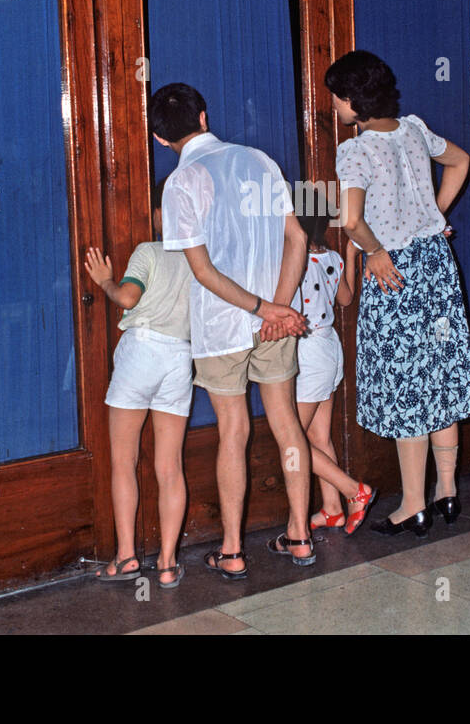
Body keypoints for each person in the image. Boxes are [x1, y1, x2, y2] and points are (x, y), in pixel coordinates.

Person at [150, 82, 314, 578]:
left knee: (233, 433)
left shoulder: (180, 185)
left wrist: (265, 309)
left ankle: (233, 550)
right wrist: (279, 309)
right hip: (275, 319)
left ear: (160, 140)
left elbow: (204, 273)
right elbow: (297, 237)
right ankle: (302, 537)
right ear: (204, 116)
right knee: (286, 423)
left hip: (222, 328)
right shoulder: (260, 160)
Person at [327, 50, 470, 537]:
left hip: (393, 272)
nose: (334, 106)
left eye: (336, 98)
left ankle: (413, 503)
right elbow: (460, 161)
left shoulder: (355, 150)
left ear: (353, 101)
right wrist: (432, 216)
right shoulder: (414, 128)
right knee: (439, 374)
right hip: (435, 266)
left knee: (406, 385)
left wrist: (372, 251)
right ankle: (447, 491)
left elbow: (351, 219)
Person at [83, 181, 194, 588]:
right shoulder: (202, 259)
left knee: (124, 461)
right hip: (180, 357)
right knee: (170, 467)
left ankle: (127, 556)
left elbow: (128, 299)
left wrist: (105, 282)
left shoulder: (149, 251)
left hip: (142, 352)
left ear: (160, 216)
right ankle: (167, 563)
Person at [292, 194, 376, 535]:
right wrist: (352, 256)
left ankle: (354, 491)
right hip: (330, 348)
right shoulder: (332, 258)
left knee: (292, 440)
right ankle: (331, 510)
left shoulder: (292, 259)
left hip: (308, 352)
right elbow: (345, 299)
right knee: (319, 437)